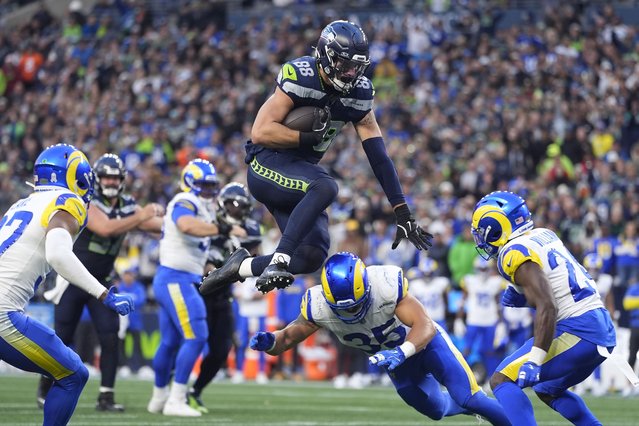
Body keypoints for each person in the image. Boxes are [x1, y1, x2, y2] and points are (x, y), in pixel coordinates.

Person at [200, 20, 432, 296]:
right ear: (326, 56)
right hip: (267, 164)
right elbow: (260, 132)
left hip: (297, 176)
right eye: (345, 65)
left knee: (311, 255)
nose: (351, 73)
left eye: (357, 67)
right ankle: (279, 260)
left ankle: (240, 267)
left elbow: (378, 155)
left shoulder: (359, 94)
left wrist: (401, 209)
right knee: (326, 186)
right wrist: (308, 138)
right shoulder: (301, 75)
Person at [250, 252, 510, 425]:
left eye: (356, 304)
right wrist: (271, 342)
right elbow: (286, 340)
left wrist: (402, 351)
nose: (351, 311)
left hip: (425, 345)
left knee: (471, 396)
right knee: (436, 411)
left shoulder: (385, 284)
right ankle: (468, 407)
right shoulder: (317, 306)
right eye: (344, 308)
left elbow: (425, 325)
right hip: (397, 364)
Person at [0, 144, 134, 426]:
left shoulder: (20, 204)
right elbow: (58, 253)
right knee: (74, 374)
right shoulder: (67, 200)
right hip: (3, 314)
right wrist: (103, 293)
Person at [471, 191, 616, 426]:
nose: (479, 237)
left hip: (578, 330)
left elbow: (548, 305)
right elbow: (553, 286)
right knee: (548, 389)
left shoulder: (512, 252)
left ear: (496, 225)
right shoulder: (543, 234)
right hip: (600, 326)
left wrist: (536, 359)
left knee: (501, 379)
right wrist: (525, 295)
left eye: (480, 230)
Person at [37, 153, 164, 411]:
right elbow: (105, 227)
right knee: (61, 337)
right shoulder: (87, 201)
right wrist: (142, 216)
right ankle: (44, 388)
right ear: (96, 178)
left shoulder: (127, 205)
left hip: (103, 283)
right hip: (74, 280)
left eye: (114, 177)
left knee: (109, 337)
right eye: (105, 176)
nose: (109, 180)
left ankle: (106, 395)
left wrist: (173, 222)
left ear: (122, 180)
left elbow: (157, 226)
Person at [147, 159, 246, 417]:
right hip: (176, 278)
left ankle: (159, 398)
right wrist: (219, 227)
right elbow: (186, 225)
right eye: (203, 185)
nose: (208, 190)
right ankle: (176, 399)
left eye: (211, 185)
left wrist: (225, 229)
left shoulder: (204, 208)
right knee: (197, 335)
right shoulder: (185, 202)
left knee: (170, 342)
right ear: (190, 183)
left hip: (175, 278)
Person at [188, 182, 262, 413]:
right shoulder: (209, 223)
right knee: (192, 343)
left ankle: (195, 391)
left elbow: (255, 251)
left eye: (242, 205)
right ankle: (175, 389)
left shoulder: (250, 230)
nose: (237, 209)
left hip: (224, 298)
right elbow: (204, 264)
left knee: (221, 350)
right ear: (223, 204)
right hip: (199, 294)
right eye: (233, 204)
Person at [458, 257, 505, 381]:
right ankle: (460, 377)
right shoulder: (470, 280)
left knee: (489, 351)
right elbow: (462, 301)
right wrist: (458, 319)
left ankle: (491, 378)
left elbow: (498, 303)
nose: (483, 271)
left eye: (485, 269)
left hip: (490, 320)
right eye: (481, 269)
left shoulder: (496, 282)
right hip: (473, 319)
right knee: (467, 349)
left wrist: (501, 323)